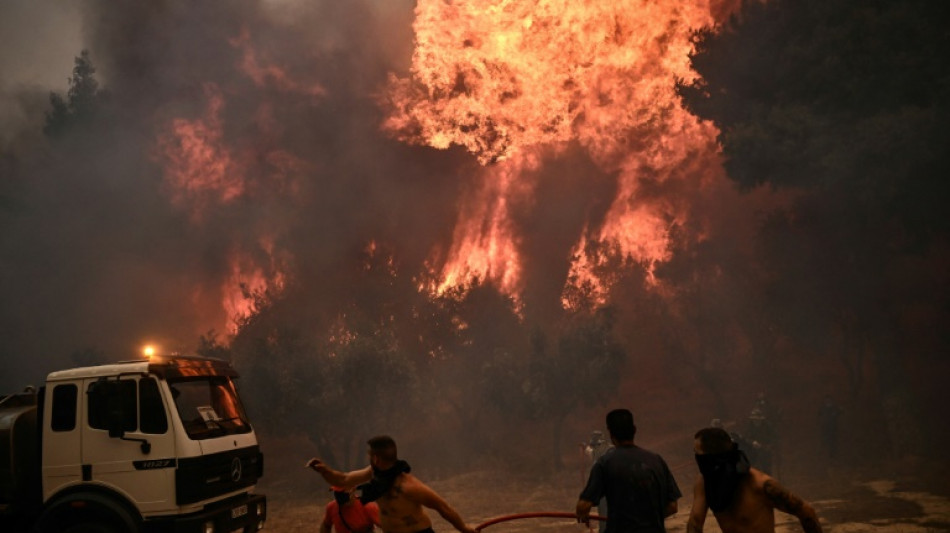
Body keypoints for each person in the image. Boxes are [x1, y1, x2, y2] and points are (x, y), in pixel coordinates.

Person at [306, 435, 477, 533]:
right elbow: (343, 480)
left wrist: (464, 528)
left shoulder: (409, 486)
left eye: (369, 455)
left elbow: (443, 507)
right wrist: (324, 470)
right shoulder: (373, 473)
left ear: (376, 458)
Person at [687, 427, 823, 533]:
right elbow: (695, 522)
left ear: (712, 457)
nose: (696, 458)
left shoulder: (760, 484)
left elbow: (806, 511)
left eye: (698, 453)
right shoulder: (704, 482)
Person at [575, 409, 681, 532]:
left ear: (611, 434)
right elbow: (672, 506)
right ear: (634, 430)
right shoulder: (656, 461)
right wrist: (647, 519)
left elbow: (583, 507)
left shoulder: (605, 464)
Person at [581, 430, 613, 533]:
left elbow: (590, 451)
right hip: (616, 487)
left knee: (604, 512)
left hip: (605, 488)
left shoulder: (597, 453)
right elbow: (589, 451)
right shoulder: (612, 448)